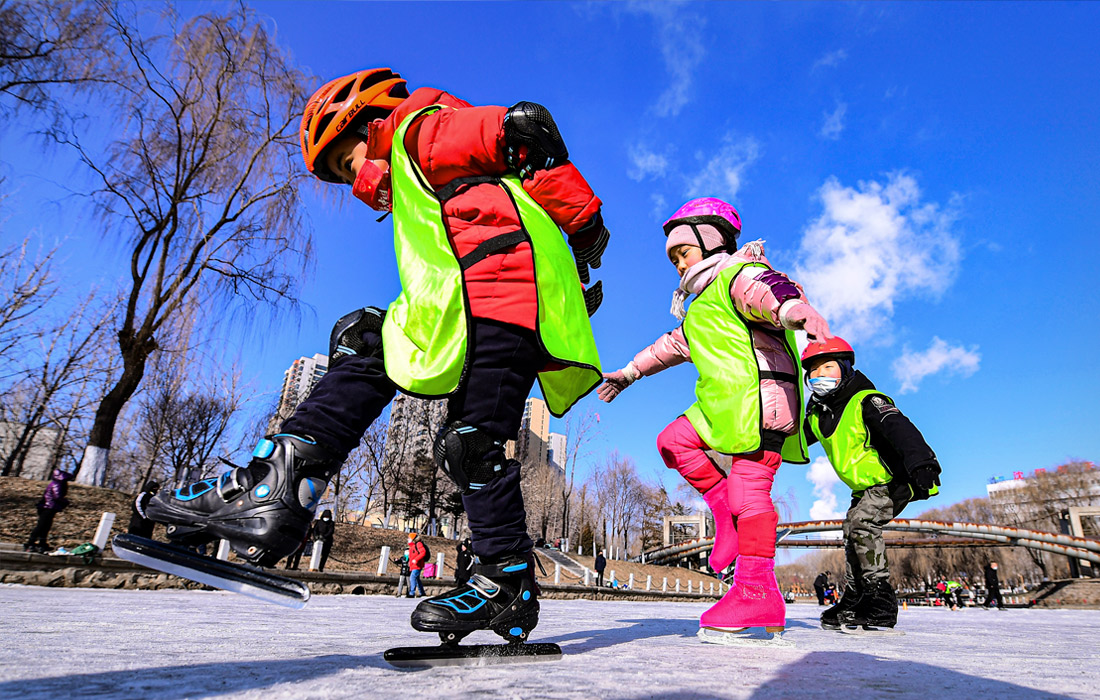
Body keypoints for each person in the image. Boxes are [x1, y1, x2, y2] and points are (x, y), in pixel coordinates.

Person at [147, 67, 607, 646]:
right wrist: (579, 236)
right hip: (470, 300)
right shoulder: (419, 174)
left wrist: (585, 228)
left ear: (370, 122)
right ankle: (279, 491)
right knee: (375, 350)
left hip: (501, 299)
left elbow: (525, 131)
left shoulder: (420, 131)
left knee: (462, 436)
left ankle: (503, 579)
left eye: (349, 162)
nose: (357, 181)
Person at [598, 198, 830, 639]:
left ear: (710, 242)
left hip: (761, 405)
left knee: (749, 494)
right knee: (672, 442)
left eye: (683, 252)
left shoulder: (737, 275)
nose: (678, 264)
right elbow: (670, 346)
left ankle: (756, 590)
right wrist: (629, 373)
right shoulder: (699, 306)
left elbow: (768, 292)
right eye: (672, 258)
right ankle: (724, 515)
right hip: (720, 407)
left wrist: (794, 310)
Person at [803, 336, 942, 631]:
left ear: (845, 369)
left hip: (892, 479)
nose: (819, 375)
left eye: (827, 367)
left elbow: (900, 429)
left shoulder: (866, 400)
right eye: (813, 370)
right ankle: (856, 597)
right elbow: (794, 439)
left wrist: (923, 463)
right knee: (851, 531)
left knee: (862, 523)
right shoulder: (818, 414)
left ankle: (880, 601)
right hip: (863, 487)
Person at [24, 468, 73, 553]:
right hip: (49, 507)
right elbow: (57, 496)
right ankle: (30, 543)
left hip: (47, 507)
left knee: (45, 526)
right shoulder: (58, 484)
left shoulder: (55, 483)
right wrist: (66, 502)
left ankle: (41, 543)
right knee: (42, 526)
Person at [407, 532, 428, 598]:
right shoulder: (412, 546)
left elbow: (423, 552)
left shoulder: (418, 544)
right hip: (414, 565)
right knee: (417, 579)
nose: (408, 539)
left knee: (412, 577)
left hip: (417, 565)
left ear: (413, 539)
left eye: (409, 538)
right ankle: (422, 592)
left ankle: (412, 593)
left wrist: (416, 559)